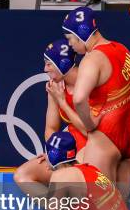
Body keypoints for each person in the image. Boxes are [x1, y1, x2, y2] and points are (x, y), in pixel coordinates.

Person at [62, 7, 130, 199]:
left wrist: (90, 125)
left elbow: (79, 98)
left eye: (70, 38)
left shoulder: (92, 59)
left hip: (105, 138)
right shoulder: (122, 49)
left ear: (81, 33)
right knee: (119, 208)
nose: (70, 44)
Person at [15, 39, 87, 198]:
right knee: (22, 175)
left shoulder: (88, 83)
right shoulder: (55, 86)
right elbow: (51, 128)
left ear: (62, 63)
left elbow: (91, 131)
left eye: (49, 64)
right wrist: (54, 153)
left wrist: (62, 101)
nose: (44, 69)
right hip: (68, 148)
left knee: (65, 180)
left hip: (91, 148)